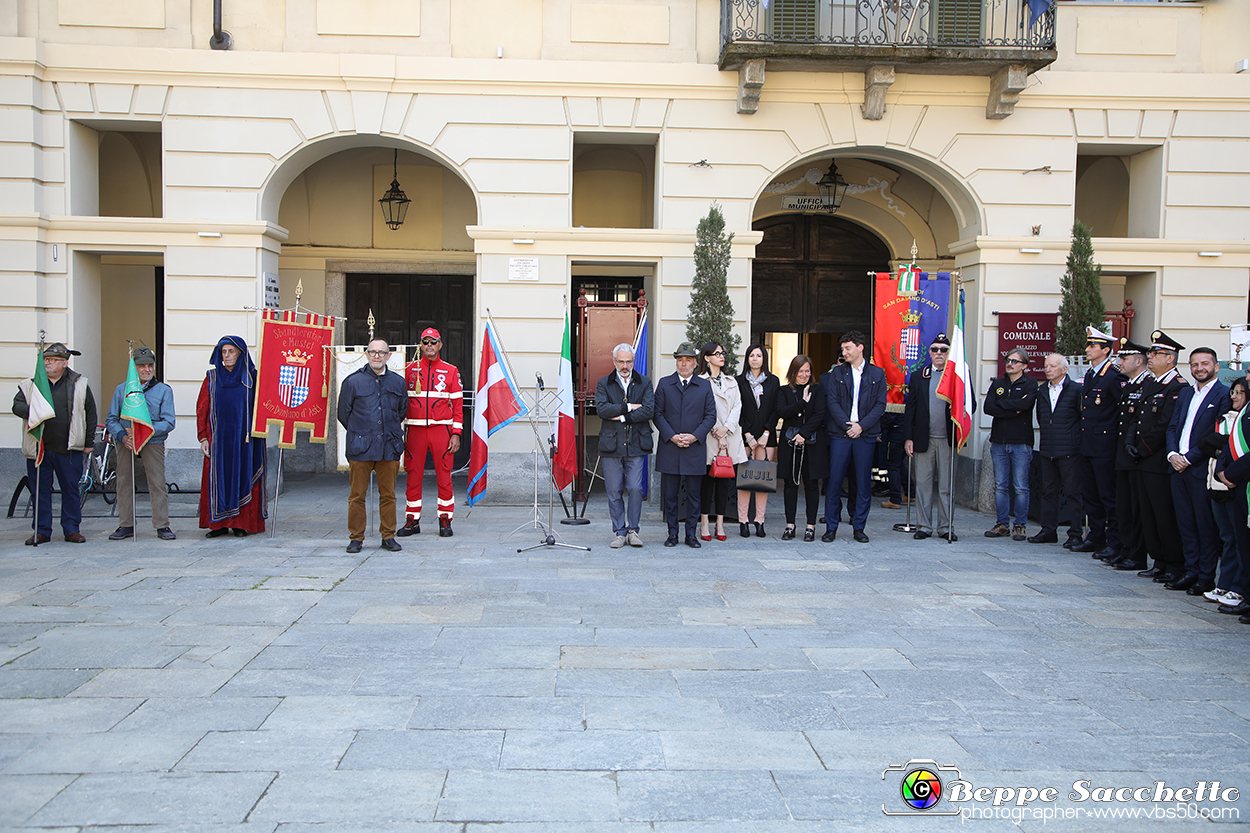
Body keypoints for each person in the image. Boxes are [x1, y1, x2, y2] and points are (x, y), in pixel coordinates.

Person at [13, 342, 97, 545]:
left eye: (52, 360)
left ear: (65, 363)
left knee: (70, 490)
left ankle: (71, 529)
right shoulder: (31, 384)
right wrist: (35, 411)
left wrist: (88, 442)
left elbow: (90, 414)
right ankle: (41, 531)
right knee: (39, 490)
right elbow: (17, 406)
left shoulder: (80, 384)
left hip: (68, 449)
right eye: (45, 360)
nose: (48, 363)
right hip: (39, 448)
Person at [1164, 347, 1229, 595]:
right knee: (1186, 524)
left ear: (1215, 366)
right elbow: (1172, 427)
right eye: (1194, 364)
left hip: (1200, 468)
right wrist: (1172, 455)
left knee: (1205, 526)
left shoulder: (1223, 395)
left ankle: (1205, 576)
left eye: (1204, 363)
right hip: (1178, 468)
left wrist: (1189, 458)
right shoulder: (1185, 393)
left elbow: (1216, 434)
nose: (1199, 368)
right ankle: (1191, 571)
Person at [1128, 330, 1188, 586]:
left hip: (1158, 459)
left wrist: (1141, 448)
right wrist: (1131, 443)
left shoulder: (1178, 386)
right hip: (1142, 458)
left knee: (1163, 515)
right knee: (1148, 514)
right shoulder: (1152, 383)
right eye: (1150, 352)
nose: (1150, 357)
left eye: (1156, 353)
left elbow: (1165, 426)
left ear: (1170, 359)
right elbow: (1137, 418)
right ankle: (1159, 561)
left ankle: (1173, 563)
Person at [338, 338, 407, 553]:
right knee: (357, 495)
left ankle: (388, 536)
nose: (377, 356)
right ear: (366, 355)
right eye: (373, 352)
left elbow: (401, 411)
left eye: (381, 352)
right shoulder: (353, 381)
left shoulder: (398, 382)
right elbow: (343, 414)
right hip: (361, 448)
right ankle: (356, 538)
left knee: (389, 495)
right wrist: (362, 432)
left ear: (389, 355)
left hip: (389, 447)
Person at [197, 336, 268, 537]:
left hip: (245, 440)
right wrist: (203, 437)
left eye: (231, 351)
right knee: (218, 479)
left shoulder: (252, 378)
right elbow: (202, 408)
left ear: (240, 353)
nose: (227, 356)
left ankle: (240, 523)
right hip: (217, 440)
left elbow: (262, 406)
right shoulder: (211, 378)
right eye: (223, 352)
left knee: (243, 475)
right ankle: (218, 525)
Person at [821, 330, 886, 543]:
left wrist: (861, 426)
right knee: (834, 481)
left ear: (860, 347)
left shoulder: (877, 374)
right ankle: (831, 527)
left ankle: (859, 527)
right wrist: (848, 426)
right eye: (843, 349)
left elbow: (880, 405)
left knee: (862, 482)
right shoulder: (837, 373)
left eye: (848, 348)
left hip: (865, 436)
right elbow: (832, 403)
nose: (844, 352)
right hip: (841, 434)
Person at [397, 327, 463, 538]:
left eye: (433, 342)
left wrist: (456, 433)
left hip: (440, 430)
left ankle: (445, 520)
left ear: (440, 345)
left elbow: (458, 407)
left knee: (444, 475)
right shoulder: (408, 368)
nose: (429, 346)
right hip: (415, 430)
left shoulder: (451, 370)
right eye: (425, 342)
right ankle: (412, 521)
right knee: (413, 475)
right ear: (420, 345)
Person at [106, 346, 176, 540]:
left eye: (150, 365)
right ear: (133, 368)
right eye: (141, 366)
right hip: (126, 442)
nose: (146, 369)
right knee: (124, 482)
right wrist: (122, 436)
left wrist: (145, 430)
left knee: (157, 483)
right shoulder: (122, 389)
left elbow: (169, 421)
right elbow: (112, 418)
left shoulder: (163, 390)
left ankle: (162, 525)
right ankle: (126, 524)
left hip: (153, 441)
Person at [653, 342, 716, 548]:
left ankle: (691, 535)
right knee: (670, 496)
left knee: (694, 496)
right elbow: (657, 414)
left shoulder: (705, 386)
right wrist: (672, 436)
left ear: (695, 364)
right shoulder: (664, 384)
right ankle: (672, 534)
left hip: (694, 449)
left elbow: (710, 416)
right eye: (680, 360)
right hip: (670, 448)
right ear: (677, 362)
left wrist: (694, 436)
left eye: (688, 360)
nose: (684, 364)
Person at [594, 342, 654, 548]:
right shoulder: (604, 383)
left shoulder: (644, 382)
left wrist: (621, 417)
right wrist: (629, 407)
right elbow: (602, 410)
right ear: (614, 361)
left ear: (634, 361)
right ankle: (619, 531)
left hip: (636, 444)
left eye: (629, 361)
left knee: (636, 488)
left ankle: (633, 530)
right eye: (621, 361)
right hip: (612, 445)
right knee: (613, 490)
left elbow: (648, 411)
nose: (625, 365)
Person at [1073, 326, 1127, 558]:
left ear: (1105, 350)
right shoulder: (1091, 374)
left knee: (1108, 496)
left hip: (1105, 446)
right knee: (1091, 495)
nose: (1087, 349)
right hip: (1088, 443)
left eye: (1093, 346)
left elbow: (1121, 411)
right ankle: (1095, 536)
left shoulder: (1114, 376)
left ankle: (1114, 541)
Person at [1196, 377, 1246, 607]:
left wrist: (1229, 472)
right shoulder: (1224, 418)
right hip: (1218, 485)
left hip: (1236, 486)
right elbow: (1206, 442)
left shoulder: (1244, 418)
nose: (1234, 396)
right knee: (1227, 538)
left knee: (1239, 539)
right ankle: (1225, 583)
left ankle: (1238, 587)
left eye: (1239, 392)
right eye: (1233, 392)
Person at [903, 334, 958, 541]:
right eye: (935, 350)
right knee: (923, 485)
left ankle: (945, 527)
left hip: (948, 439)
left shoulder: (957, 376)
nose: (939, 354)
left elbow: (970, 405)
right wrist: (908, 437)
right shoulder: (919, 375)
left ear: (948, 353)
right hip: (924, 439)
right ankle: (924, 526)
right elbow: (911, 409)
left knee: (946, 487)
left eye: (943, 350)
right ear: (929, 353)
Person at [983, 347, 1039, 541]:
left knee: (1021, 486)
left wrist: (1003, 405)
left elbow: (1026, 405)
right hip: (999, 441)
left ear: (1024, 365)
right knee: (1000, 485)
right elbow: (988, 407)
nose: (1009, 363)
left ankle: (1020, 525)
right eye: (1008, 360)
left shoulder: (1030, 384)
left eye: (1014, 361)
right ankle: (1002, 524)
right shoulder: (998, 383)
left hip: (1020, 442)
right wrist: (1012, 407)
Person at [1030, 353, 1084, 546]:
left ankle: (1075, 533)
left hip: (1069, 449)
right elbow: (1041, 417)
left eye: (1053, 366)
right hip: (1048, 448)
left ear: (1064, 369)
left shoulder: (1076, 390)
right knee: (1048, 491)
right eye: (1046, 366)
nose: (1048, 369)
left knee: (1072, 492)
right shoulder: (1042, 390)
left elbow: (1080, 418)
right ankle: (1048, 530)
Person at [1106, 339, 1151, 570]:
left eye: (1124, 358)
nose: (1119, 362)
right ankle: (1126, 548)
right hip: (1123, 453)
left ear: (1139, 361)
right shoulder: (1128, 385)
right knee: (1123, 505)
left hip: (1137, 455)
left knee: (1136, 507)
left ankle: (1137, 553)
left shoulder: (1147, 385)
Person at [775, 355, 827, 542]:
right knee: (790, 484)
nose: (804, 375)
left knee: (812, 484)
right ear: (793, 372)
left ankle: (810, 526)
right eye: (801, 371)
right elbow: (782, 412)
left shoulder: (818, 389)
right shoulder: (783, 391)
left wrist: (803, 434)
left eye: (807, 371)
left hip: (811, 443)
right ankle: (790, 525)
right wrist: (802, 403)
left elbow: (820, 413)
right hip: (790, 444)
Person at [698, 342, 747, 541]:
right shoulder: (700, 381)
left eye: (722, 352)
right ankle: (703, 522)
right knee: (707, 480)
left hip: (730, 435)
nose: (721, 356)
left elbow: (737, 406)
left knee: (724, 481)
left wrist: (726, 430)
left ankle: (719, 523)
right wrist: (717, 430)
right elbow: (703, 409)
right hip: (710, 436)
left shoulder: (731, 381)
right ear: (707, 358)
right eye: (716, 353)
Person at [737, 343, 779, 538]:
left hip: (766, 438)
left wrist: (767, 433)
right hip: (745, 438)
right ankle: (743, 521)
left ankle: (759, 521)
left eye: (759, 356)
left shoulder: (773, 381)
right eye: (752, 355)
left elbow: (775, 409)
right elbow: (737, 410)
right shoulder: (739, 382)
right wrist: (748, 435)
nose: (755, 359)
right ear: (747, 359)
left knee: (763, 480)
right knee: (745, 481)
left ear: (764, 359)